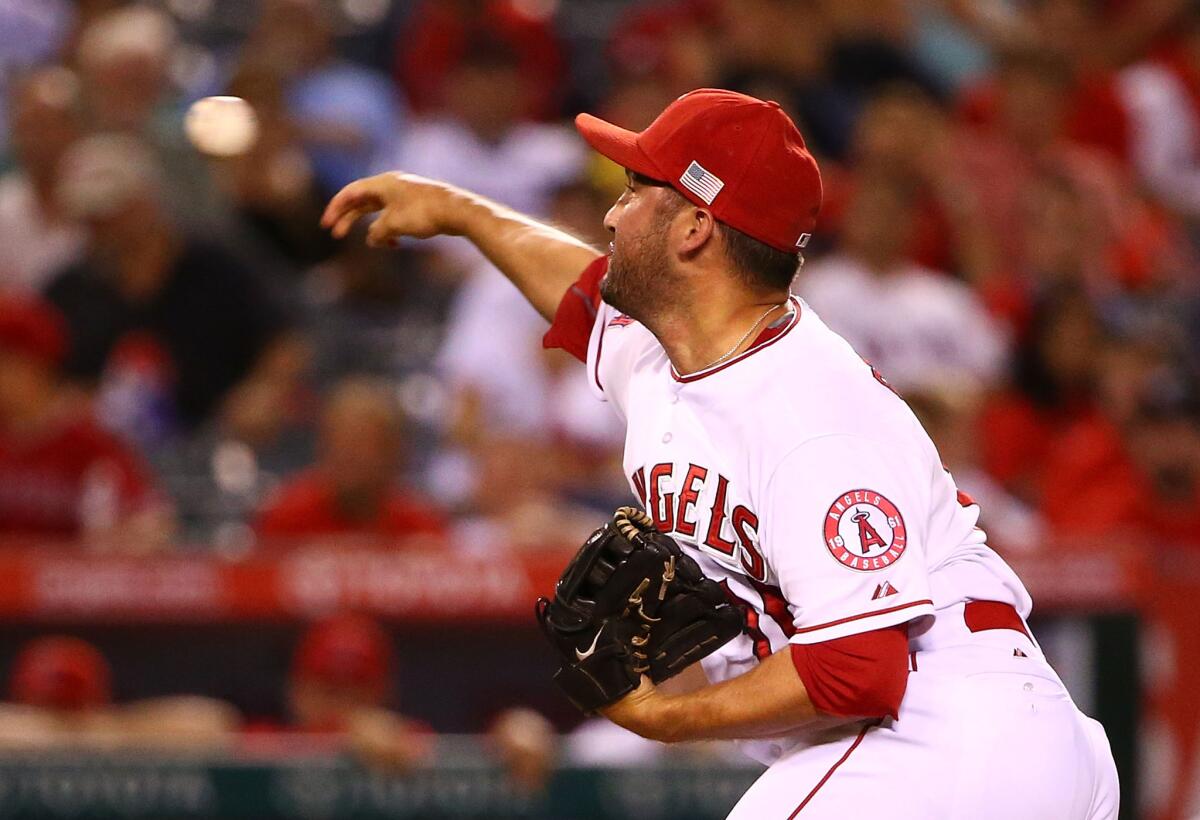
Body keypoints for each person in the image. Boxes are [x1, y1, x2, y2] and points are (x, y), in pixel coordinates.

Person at [321, 88, 1119, 817]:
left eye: (636, 191)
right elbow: (580, 295)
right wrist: (461, 211)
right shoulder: (669, 356)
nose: (611, 213)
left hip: (949, 725)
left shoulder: (807, 408)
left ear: (695, 226)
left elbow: (858, 667)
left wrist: (664, 718)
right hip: (954, 745)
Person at [255, 378, 447, 546]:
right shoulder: (287, 517)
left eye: (361, 443)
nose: (347, 455)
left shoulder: (419, 525)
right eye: (338, 442)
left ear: (393, 452)